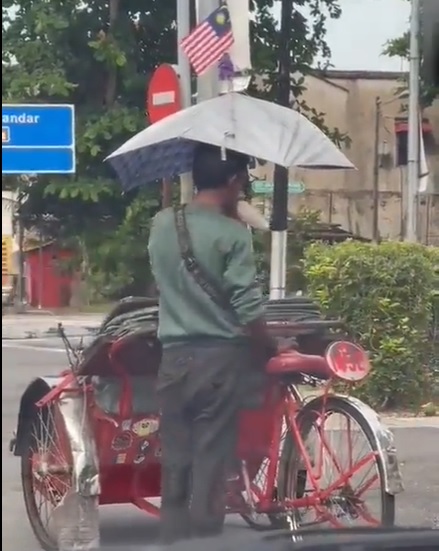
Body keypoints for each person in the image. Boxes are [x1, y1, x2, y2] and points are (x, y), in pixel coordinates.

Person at [148, 143, 280, 545]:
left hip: (173, 358)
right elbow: (245, 303)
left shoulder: (162, 223)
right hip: (219, 361)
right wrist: (267, 344)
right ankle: (204, 540)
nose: (243, 187)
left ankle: (171, 537)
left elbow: (163, 280)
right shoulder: (233, 233)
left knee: (176, 455)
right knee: (209, 456)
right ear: (231, 180)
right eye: (242, 180)